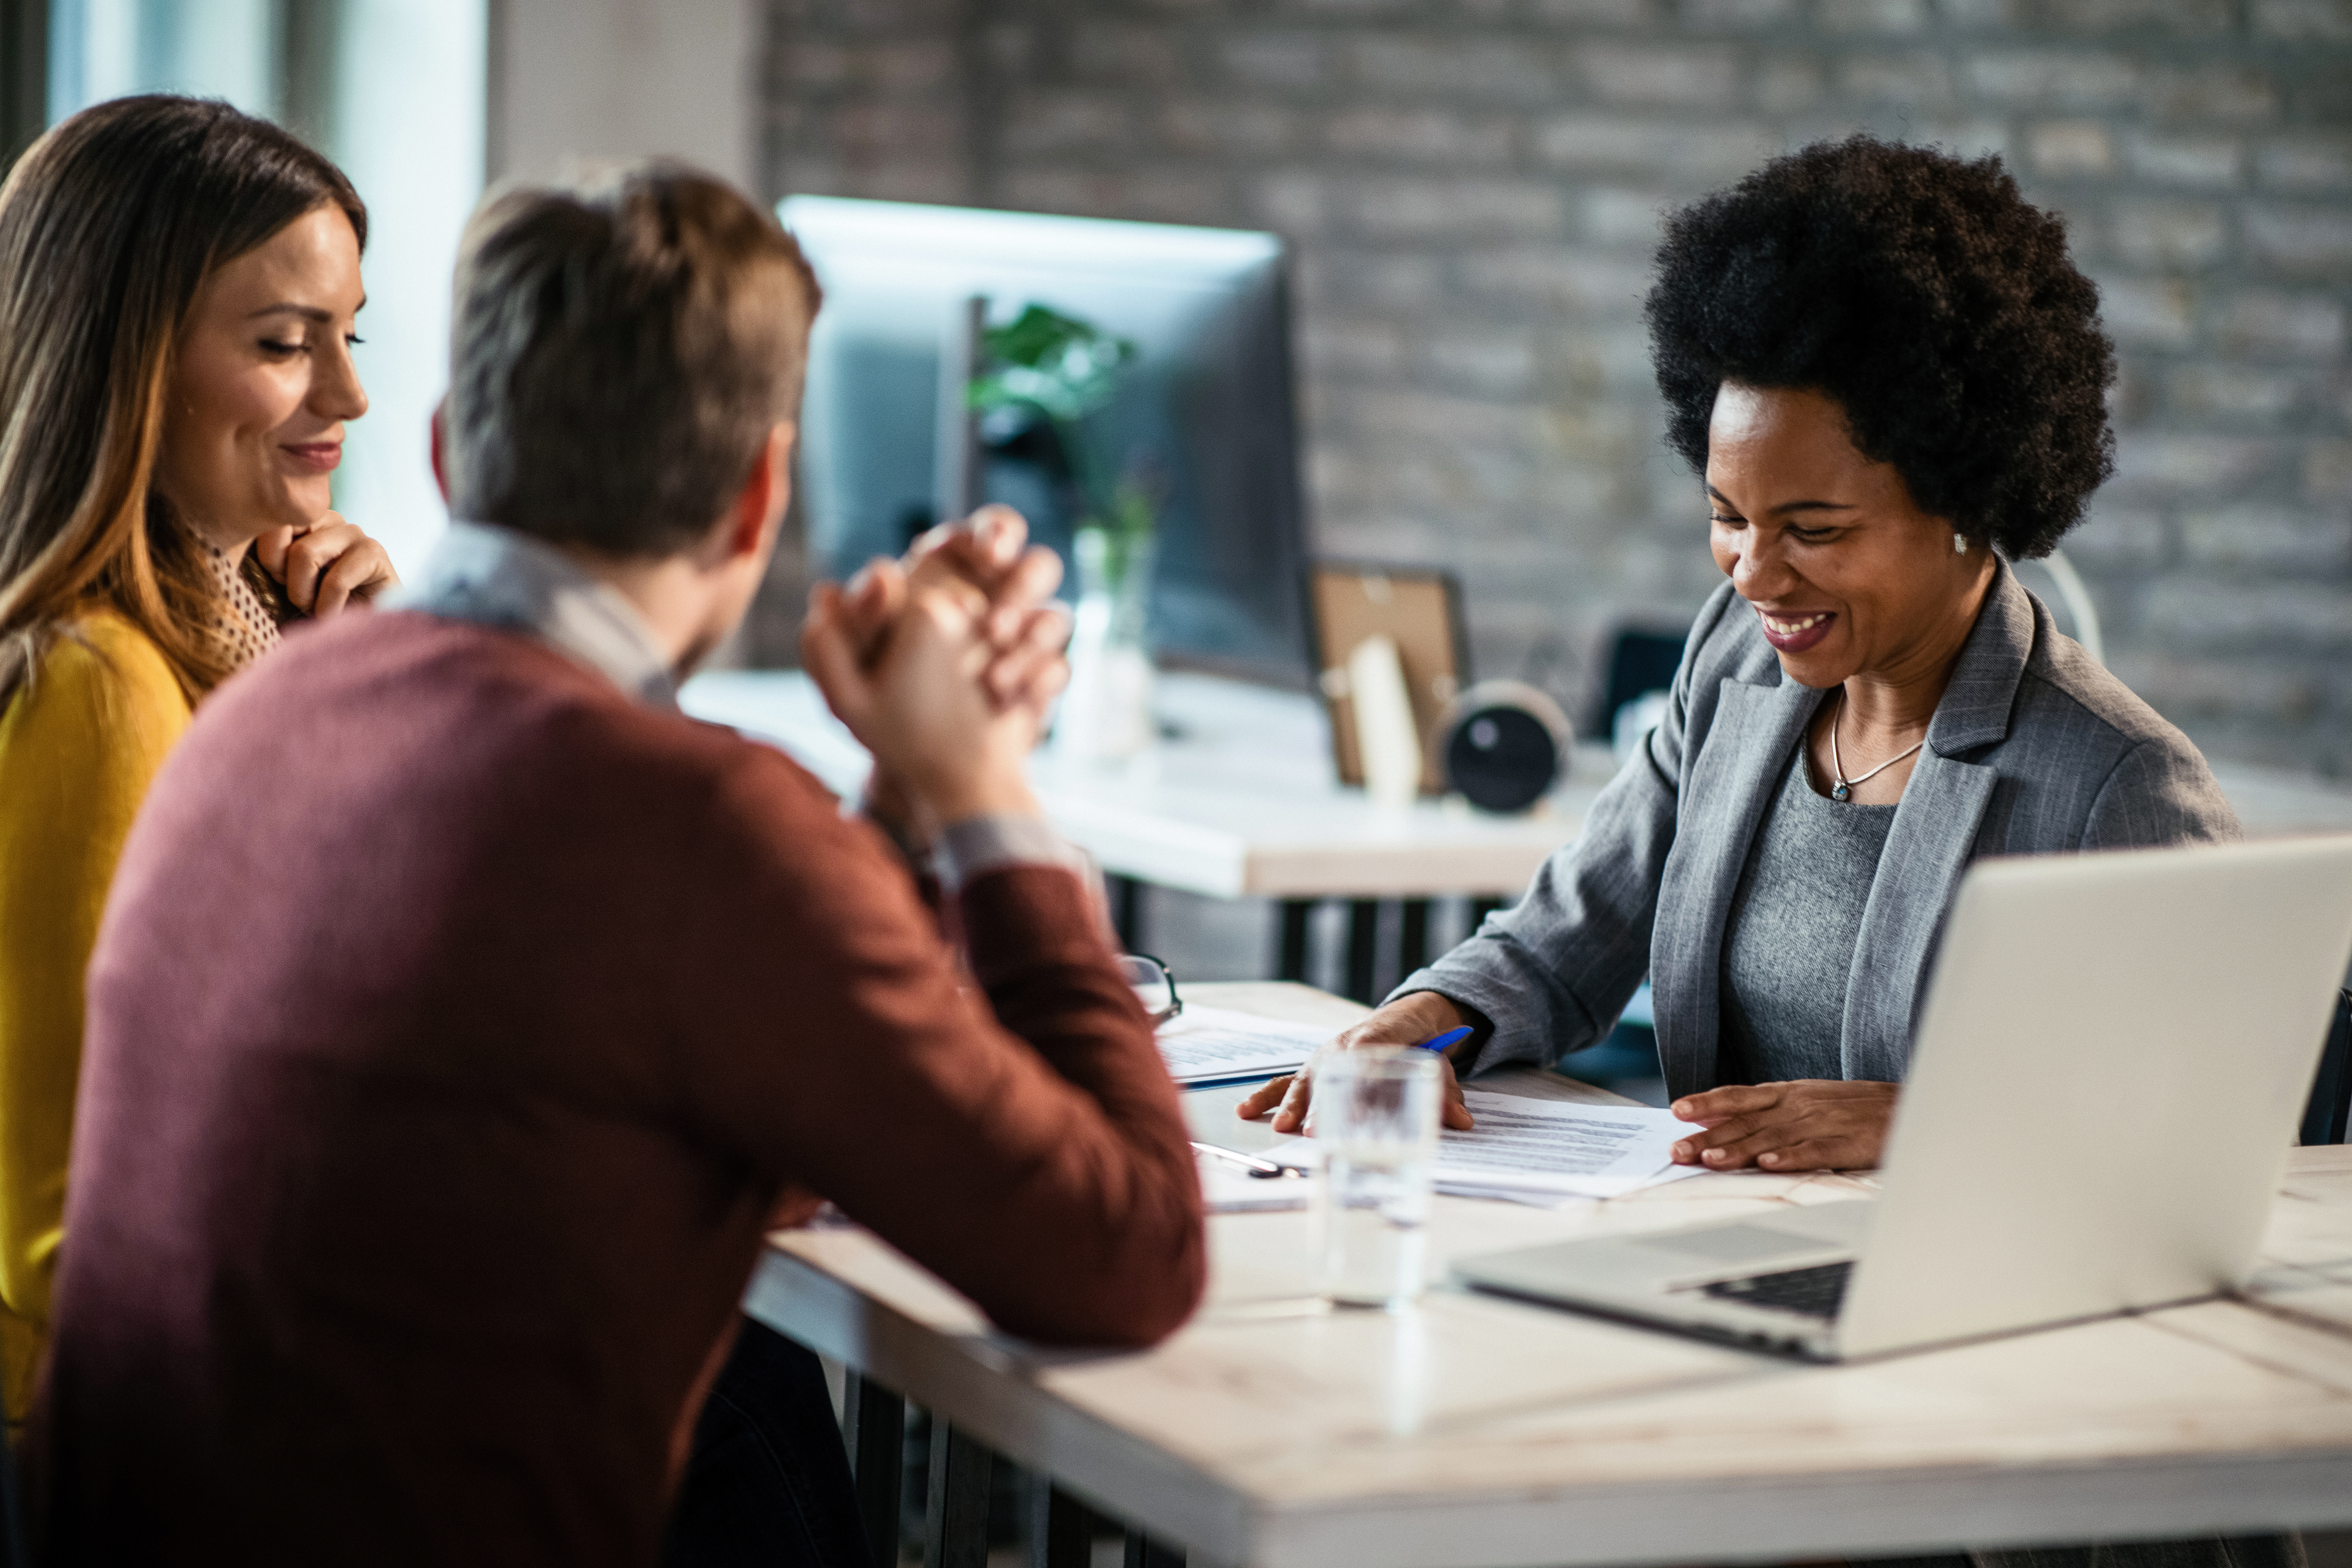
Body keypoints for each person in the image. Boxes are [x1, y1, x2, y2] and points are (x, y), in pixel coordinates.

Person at [32, 161, 1204, 1567]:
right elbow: (1128, 1261)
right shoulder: (697, 823)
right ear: (761, 494)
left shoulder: (256, 705)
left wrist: (893, 805)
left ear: (454, 450)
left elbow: (697, 1088)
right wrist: (987, 792)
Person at [1244, 132, 2284, 1568]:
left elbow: (2221, 1171)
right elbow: (1572, 927)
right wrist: (1429, 1021)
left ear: (1967, 499)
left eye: (1812, 529)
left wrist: (1920, 1119)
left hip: (1979, 1424)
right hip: (1715, 1327)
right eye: (1727, 520)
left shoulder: (2110, 785)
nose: (1752, 574)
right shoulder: (1738, 664)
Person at [0, 94, 396, 1421]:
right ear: (127, 363)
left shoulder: (218, 642)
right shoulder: (98, 687)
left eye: (350, 336)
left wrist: (338, 685)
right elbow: (64, 1216)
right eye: (286, 344)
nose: (347, 393)